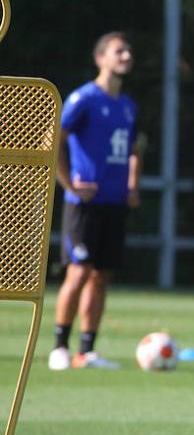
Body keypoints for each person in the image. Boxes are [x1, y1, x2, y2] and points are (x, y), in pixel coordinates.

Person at [49, 32, 143, 371]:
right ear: (100, 58)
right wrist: (68, 182)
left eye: (128, 50)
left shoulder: (128, 105)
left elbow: (133, 150)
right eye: (119, 51)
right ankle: (59, 346)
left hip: (114, 203)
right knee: (78, 271)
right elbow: (54, 140)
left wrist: (132, 184)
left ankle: (86, 350)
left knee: (102, 276)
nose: (126, 55)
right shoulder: (84, 99)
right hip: (84, 205)